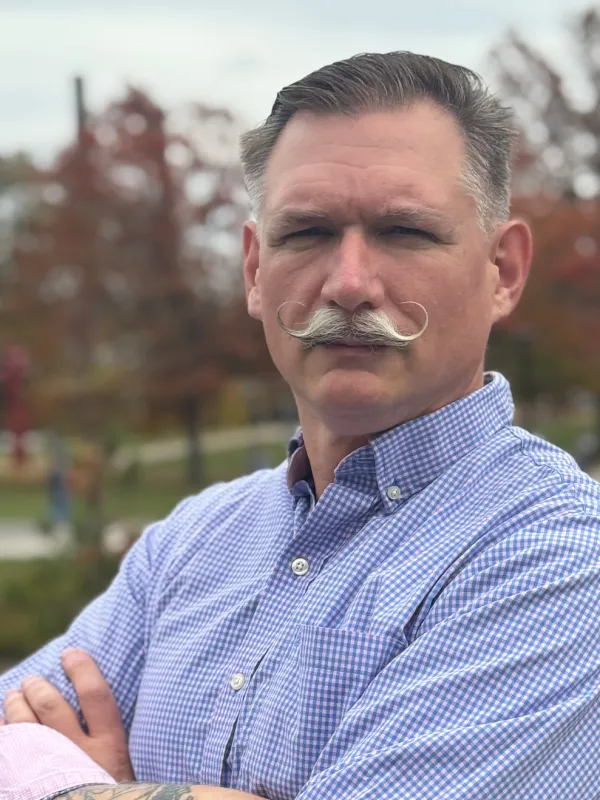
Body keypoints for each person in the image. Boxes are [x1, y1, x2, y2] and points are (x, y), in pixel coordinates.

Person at [2, 50, 600, 800]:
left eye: (405, 231)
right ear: (255, 269)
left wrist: (86, 788)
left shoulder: (560, 558)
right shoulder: (191, 544)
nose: (349, 283)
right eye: (308, 232)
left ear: (503, 271)